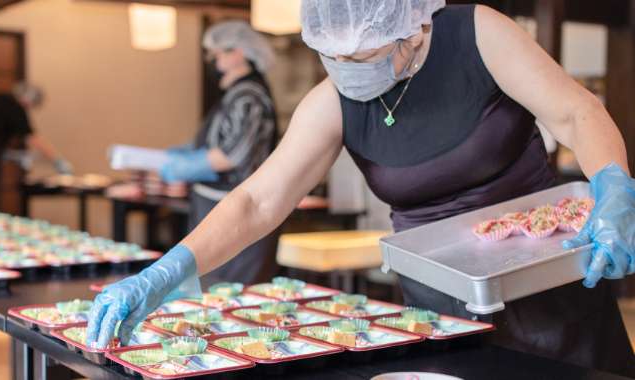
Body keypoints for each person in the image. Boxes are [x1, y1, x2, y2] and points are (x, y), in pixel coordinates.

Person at [87, 1, 635, 376]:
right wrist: (166, 271)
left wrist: (613, 185)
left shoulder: (478, 34)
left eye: (363, 57)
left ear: (411, 27)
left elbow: (576, 113)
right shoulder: (335, 100)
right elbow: (258, 200)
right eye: (334, 57)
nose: (348, 72)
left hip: (552, 277)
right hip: (440, 304)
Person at [158, 20, 279, 285]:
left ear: (238, 52)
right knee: (211, 284)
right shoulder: (235, 94)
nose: (212, 61)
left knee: (232, 290)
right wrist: (188, 154)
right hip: (215, 204)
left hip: (235, 209)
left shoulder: (249, 95)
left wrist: (187, 166)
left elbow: (232, 155)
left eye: (217, 54)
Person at [0, 82, 72, 210]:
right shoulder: (15, 106)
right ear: (27, 98)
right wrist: (57, 160)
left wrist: (5, 152)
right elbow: (33, 139)